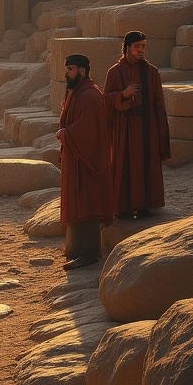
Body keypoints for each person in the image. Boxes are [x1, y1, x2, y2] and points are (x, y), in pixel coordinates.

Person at [103, 31, 171, 219]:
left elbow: (158, 102)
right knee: (124, 164)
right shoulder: (114, 72)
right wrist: (124, 94)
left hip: (146, 127)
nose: (141, 50)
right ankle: (123, 207)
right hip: (123, 128)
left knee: (145, 164)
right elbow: (106, 99)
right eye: (137, 46)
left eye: (143, 46)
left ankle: (144, 205)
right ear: (127, 47)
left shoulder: (151, 72)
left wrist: (159, 128)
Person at [55, 53, 113, 270]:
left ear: (82, 71)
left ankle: (89, 253)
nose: (66, 73)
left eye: (70, 69)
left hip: (87, 159)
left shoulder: (89, 94)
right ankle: (76, 250)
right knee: (75, 202)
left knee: (86, 202)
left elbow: (88, 128)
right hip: (75, 157)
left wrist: (66, 133)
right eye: (66, 68)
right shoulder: (76, 92)